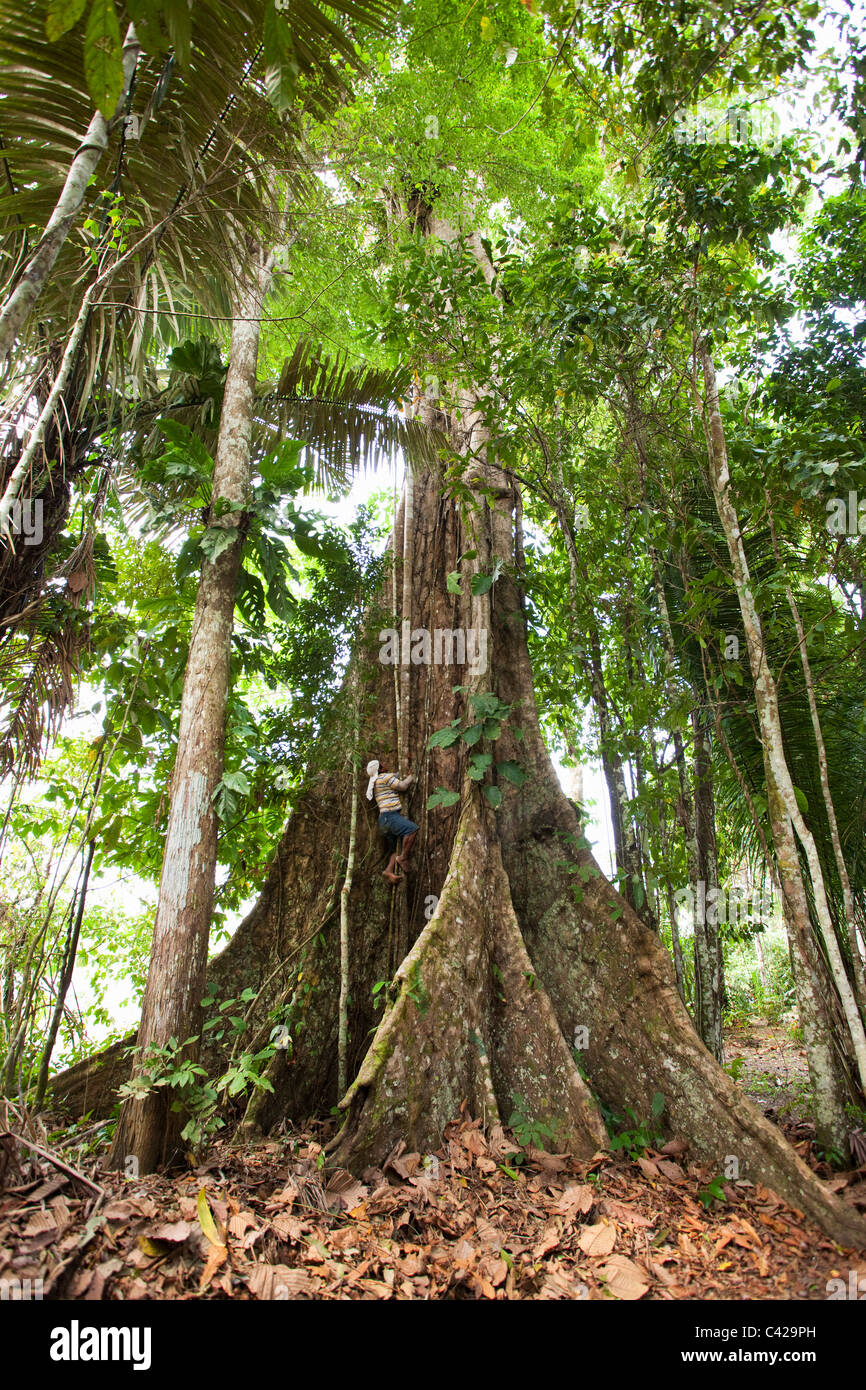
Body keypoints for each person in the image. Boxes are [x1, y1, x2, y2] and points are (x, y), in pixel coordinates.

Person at [366, 758, 418, 884]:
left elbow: (393, 778)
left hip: (383, 821)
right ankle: (403, 858)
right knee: (412, 830)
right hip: (390, 816)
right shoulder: (385, 777)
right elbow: (404, 786)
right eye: (382, 764)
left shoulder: (375, 781)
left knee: (396, 848)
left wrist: (397, 775)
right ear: (380, 769)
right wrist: (412, 776)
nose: (385, 763)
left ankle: (388, 870)